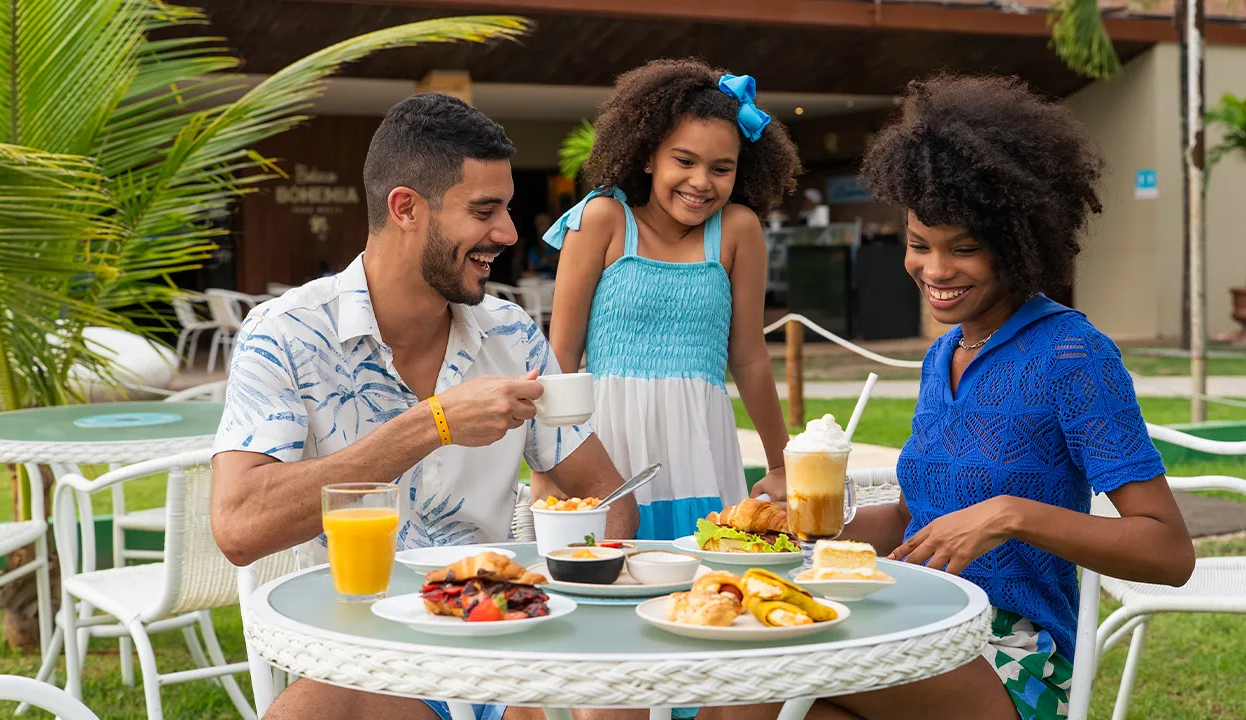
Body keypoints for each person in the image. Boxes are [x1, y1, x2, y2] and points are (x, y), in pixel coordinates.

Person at [708, 75, 1196, 720]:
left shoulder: (1073, 355)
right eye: (919, 245)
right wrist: (799, 529)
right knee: (733, 699)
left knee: (761, 676)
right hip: (915, 618)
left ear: (1020, 244)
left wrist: (1010, 514)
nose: (935, 271)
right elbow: (918, 520)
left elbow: (1167, 552)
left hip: (1010, 653)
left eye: (964, 248)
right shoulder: (945, 355)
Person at [210, 93, 638, 720]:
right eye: (485, 210)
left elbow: (607, 498)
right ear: (406, 208)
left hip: (502, 643)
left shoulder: (513, 334)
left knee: (609, 703)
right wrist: (432, 424)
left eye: (507, 209)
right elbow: (240, 528)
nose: (509, 234)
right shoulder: (288, 333)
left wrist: (550, 600)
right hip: (368, 651)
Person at [536, 58, 802, 540]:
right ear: (647, 156)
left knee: (700, 585)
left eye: (721, 168)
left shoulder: (738, 231)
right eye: (684, 161)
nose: (701, 182)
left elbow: (749, 358)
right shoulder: (603, 219)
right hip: (608, 445)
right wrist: (545, 464)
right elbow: (561, 353)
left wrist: (782, 464)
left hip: (699, 446)